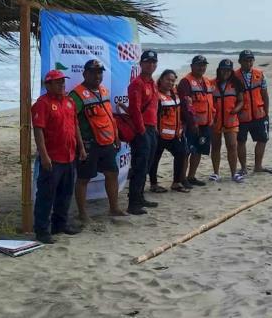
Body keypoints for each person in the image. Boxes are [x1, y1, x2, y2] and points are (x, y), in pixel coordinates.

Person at [32, 70, 87, 244]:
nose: (62, 85)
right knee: (46, 195)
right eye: (57, 82)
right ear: (47, 85)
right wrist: (44, 155)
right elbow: (38, 130)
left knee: (65, 194)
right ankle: (42, 230)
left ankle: (60, 225)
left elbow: (75, 127)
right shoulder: (42, 103)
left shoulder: (70, 101)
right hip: (53, 158)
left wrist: (82, 148)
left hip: (70, 156)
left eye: (63, 82)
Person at [69, 59, 127, 223]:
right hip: (89, 145)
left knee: (112, 173)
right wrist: (80, 146)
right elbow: (73, 123)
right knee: (83, 179)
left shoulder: (104, 91)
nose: (97, 76)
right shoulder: (76, 95)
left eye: (100, 72)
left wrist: (116, 136)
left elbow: (110, 117)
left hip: (107, 143)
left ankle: (114, 208)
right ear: (85, 74)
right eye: (93, 72)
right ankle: (82, 213)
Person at [126, 50, 160, 215]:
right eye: (147, 62)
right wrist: (141, 131)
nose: (151, 65)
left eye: (154, 62)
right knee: (139, 166)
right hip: (142, 130)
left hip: (152, 128)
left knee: (147, 165)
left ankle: (140, 197)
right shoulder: (137, 83)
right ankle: (133, 203)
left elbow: (154, 108)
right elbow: (135, 110)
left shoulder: (152, 83)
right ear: (141, 64)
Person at [148, 69, 191, 193]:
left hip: (175, 134)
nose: (170, 82)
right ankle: (154, 184)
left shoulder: (175, 93)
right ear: (161, 79)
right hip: (160, 135)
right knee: (155, 159)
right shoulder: (156, 95)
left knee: (181, 154)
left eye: (173, 80)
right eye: (168, 79)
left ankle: (176, 183)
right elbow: (152, 114)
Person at [235, 50, 272, 175]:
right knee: (241, 141)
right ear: (240, 61)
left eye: (251, 60)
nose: (249, 62)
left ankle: (258, 166)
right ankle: (243, 168)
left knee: (262, 139)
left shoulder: (260, 74)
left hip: (259, 114)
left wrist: (266, 113)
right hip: (242, 116)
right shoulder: (234, 76)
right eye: (246, 60)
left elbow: (265, 95)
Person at [178, 55, 214, 187]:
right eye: (199, 65)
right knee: (187, 152)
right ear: (192, 66)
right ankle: (182, 178)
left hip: (206, 124)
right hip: (192, 125)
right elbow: (186, 105)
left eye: (204, 65)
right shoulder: (185, 82)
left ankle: (191, 176)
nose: (201, 67)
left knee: (199, 151)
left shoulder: (207, 81)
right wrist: (192, 123)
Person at [210, 59, 245, 183]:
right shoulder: (212, 83)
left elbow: (241, 100)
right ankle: (215, 173)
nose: (226, 72)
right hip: (216, 121)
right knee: (215, 146)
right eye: (223, 69)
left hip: (231, 120)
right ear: (219, 70)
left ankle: (234, 173)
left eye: (228, 70)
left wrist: (236, 109)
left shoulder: (236, 84)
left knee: (232, 146)